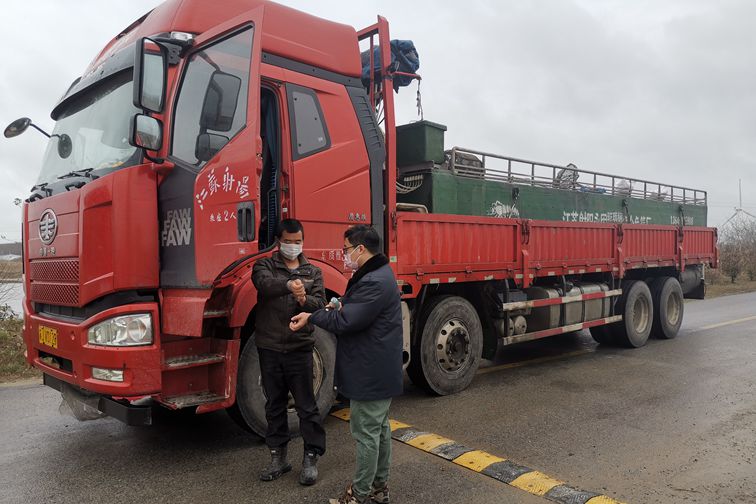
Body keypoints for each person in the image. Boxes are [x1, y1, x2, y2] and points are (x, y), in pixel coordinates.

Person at [290, 225, 403, 504]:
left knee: (366, 433)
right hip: (377, 368)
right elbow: (355, 308)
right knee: (379, 430)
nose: (344, 255)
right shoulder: (378, 274)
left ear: (361, 249)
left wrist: (311, 316)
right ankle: (379, 488)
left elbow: (346, 321)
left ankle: (359, 495)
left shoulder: (374, 281)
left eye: (346, 249)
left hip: (370, 371)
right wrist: (339, 303)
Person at [252, 219, 327, 486]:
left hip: (300, 347)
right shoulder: (265, 266)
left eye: (298, 242)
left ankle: (311, 457)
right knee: (274, 404)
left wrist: (304, 299)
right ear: (278, 241)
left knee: (307, 406)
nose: (293, 246)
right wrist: (288, 285)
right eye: (288, 241)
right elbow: (263, 284)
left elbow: (320, 304)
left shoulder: (313, 271)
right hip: (270, 346)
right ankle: (278, 458)